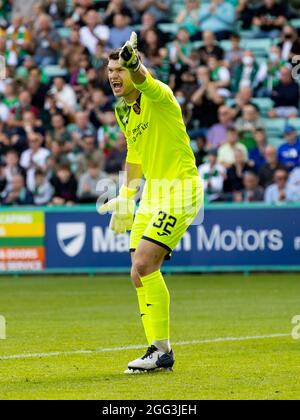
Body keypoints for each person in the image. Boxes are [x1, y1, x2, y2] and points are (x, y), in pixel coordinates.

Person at [99, 32, 203, 373]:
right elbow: (134, 152)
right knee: (138, 272)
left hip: (180, 189)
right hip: (152, 194)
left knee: (144, 263)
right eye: (109, 69)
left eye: (120, 69)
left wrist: (136, 64)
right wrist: (126, 195)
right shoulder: (123, 111)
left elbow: (147, 80)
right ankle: (159, 352)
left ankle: (160, 353)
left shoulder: (160, 97)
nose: (114, 75)